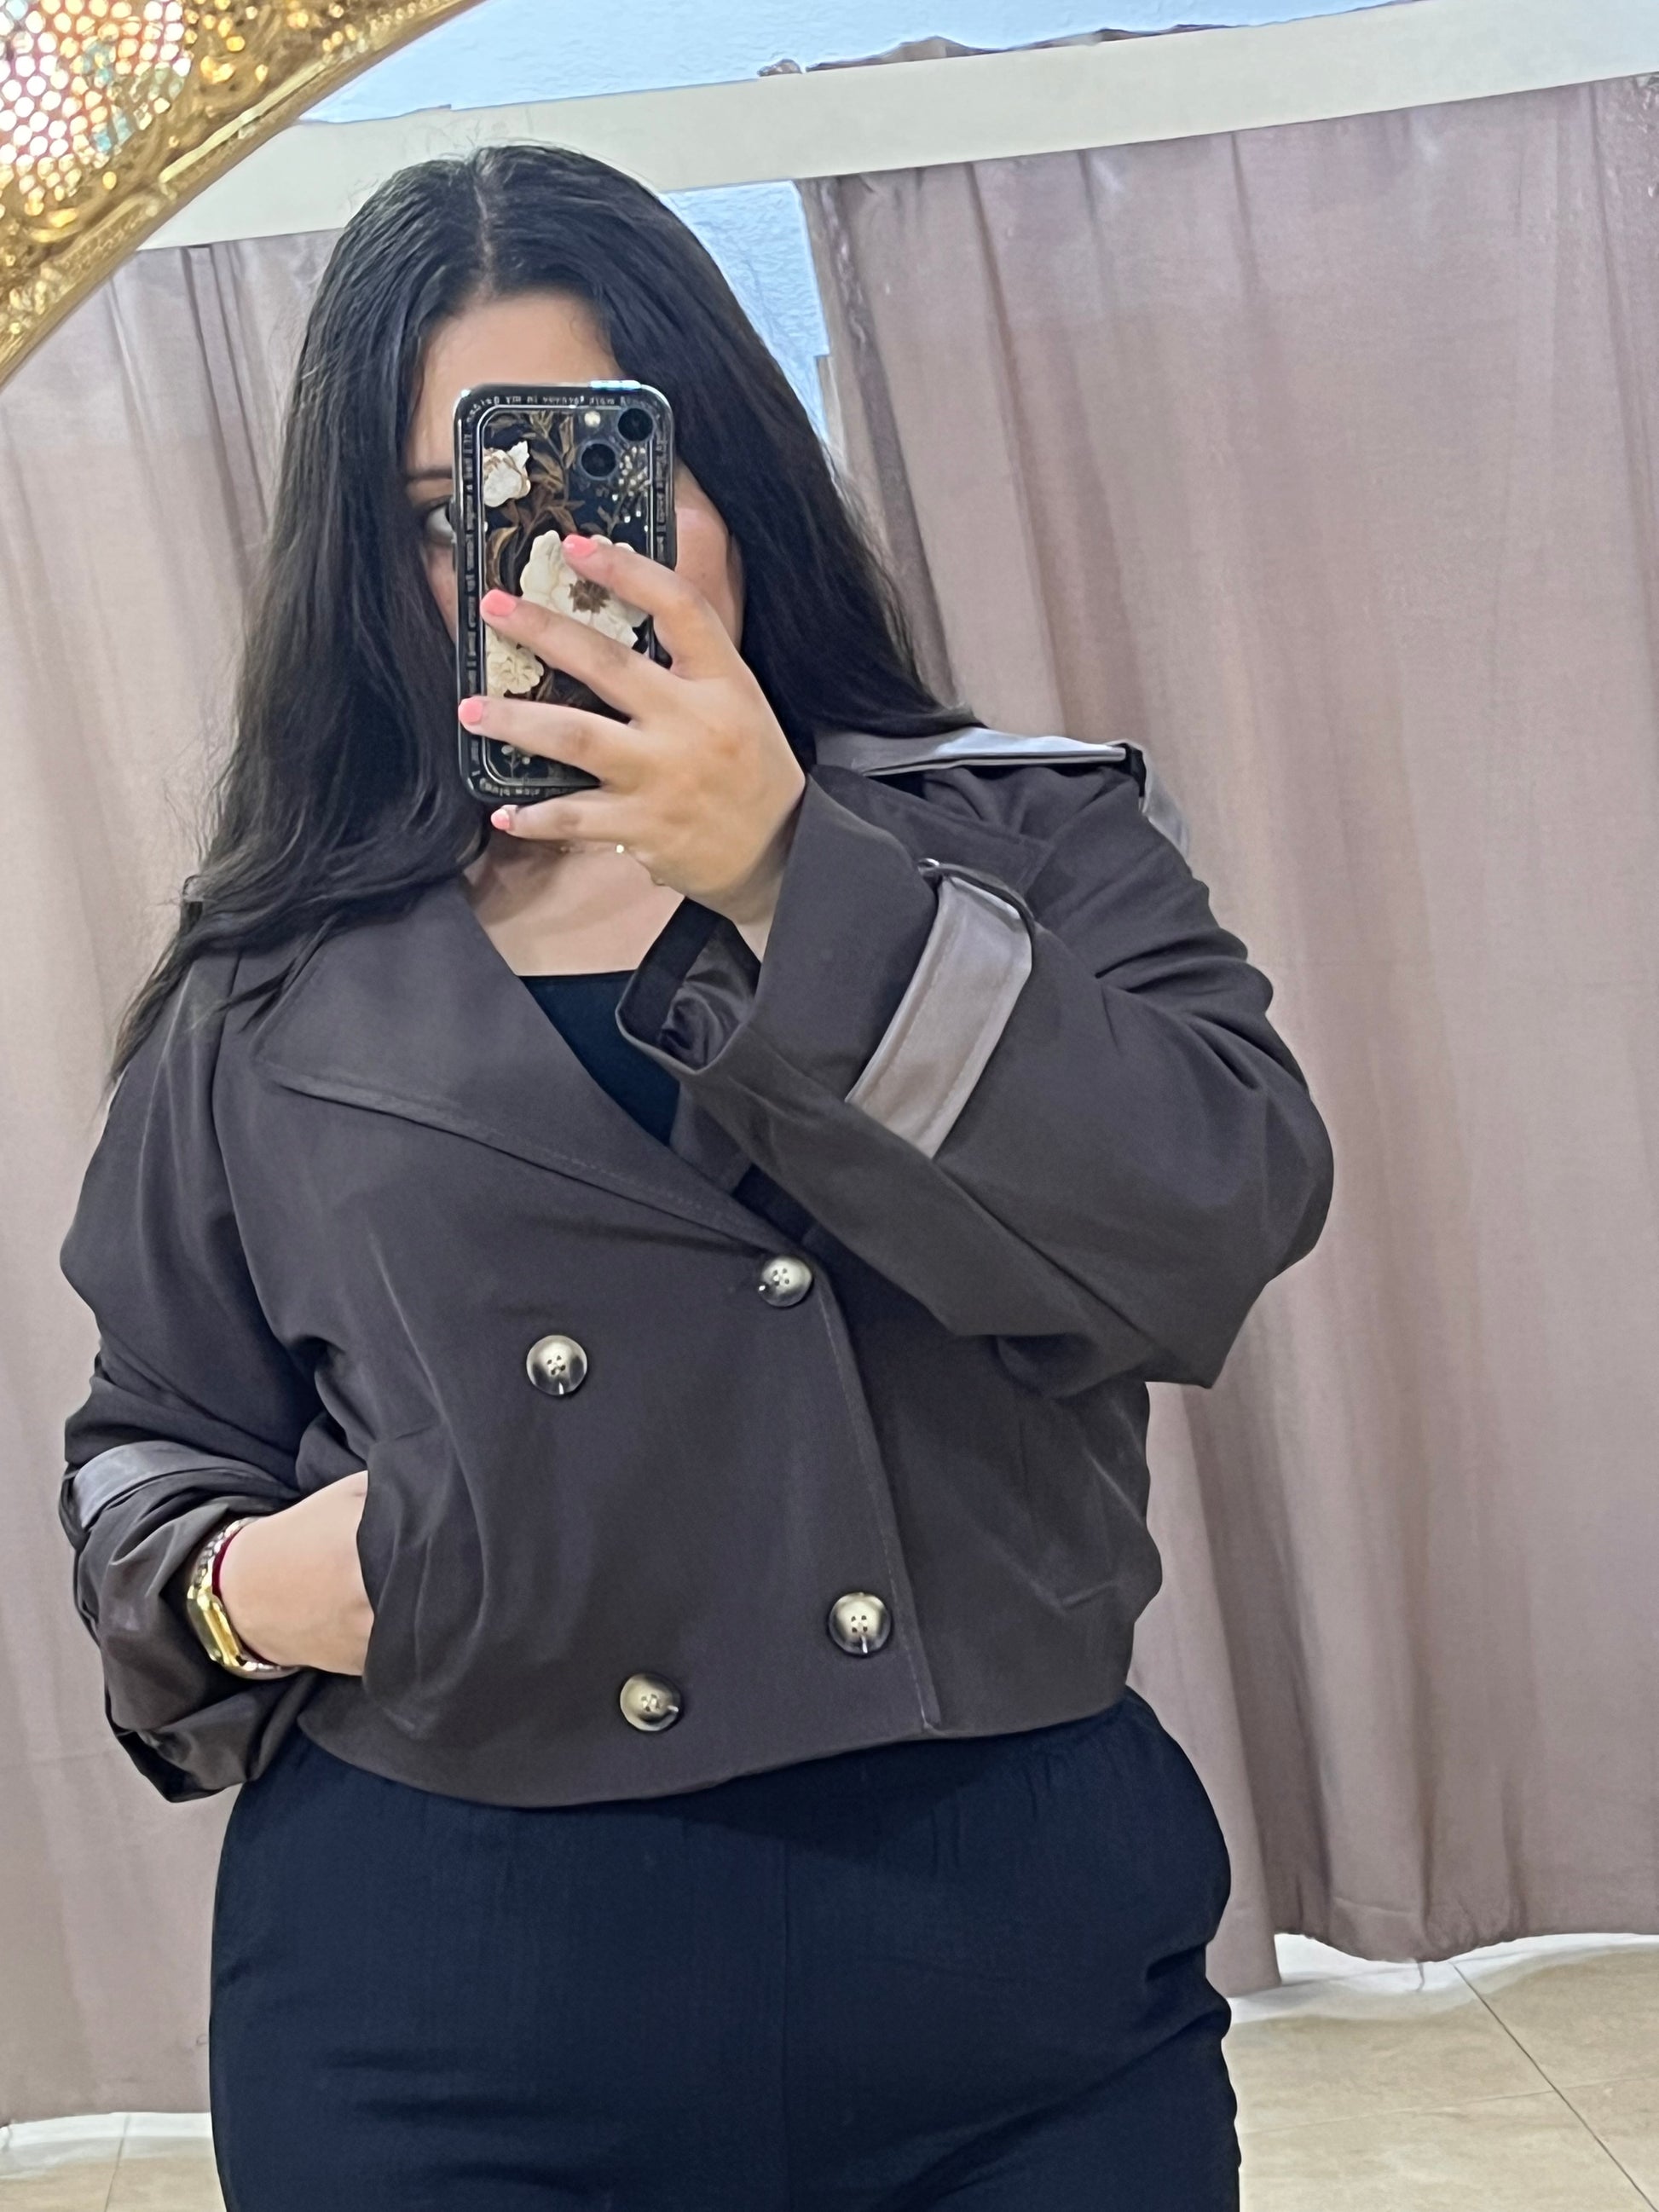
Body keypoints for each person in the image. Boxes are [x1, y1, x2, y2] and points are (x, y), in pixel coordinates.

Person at [58, 143, 1332, 2212]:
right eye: (451, 516)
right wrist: (236, 1586)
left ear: (725, 471)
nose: (538, 567)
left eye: (604, 480)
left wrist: (787, 874)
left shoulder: (1028, 846)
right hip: (449, 1997)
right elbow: (146, 1433)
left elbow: (1209, 1212)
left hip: (1008, 1967)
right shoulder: (268, 983)